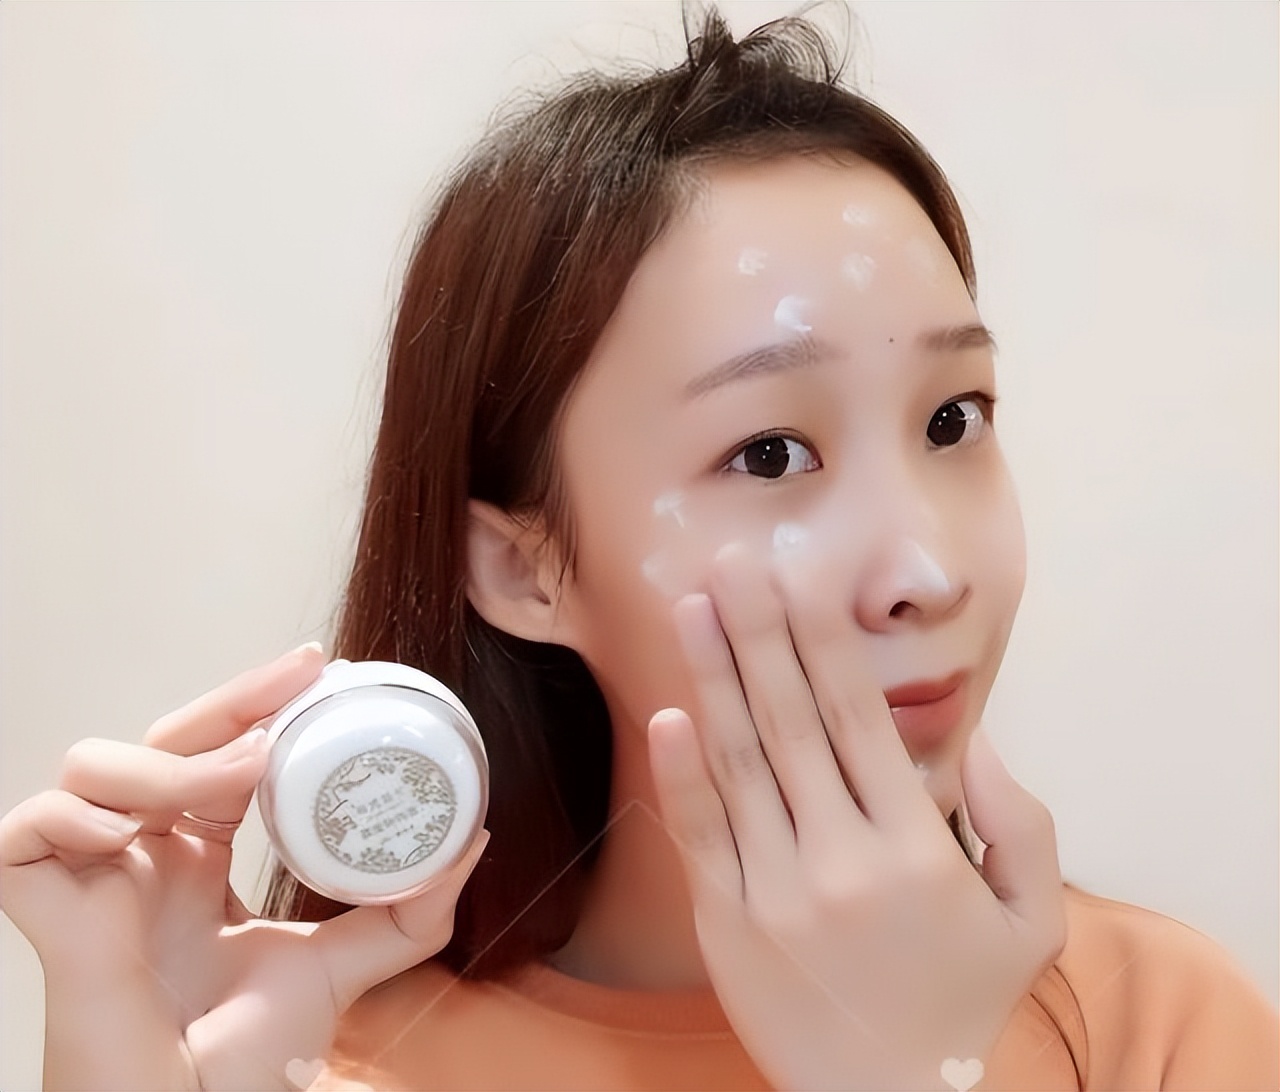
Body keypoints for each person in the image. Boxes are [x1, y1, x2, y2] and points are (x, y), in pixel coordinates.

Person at [2, 8, 1276, 1090]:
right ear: (523, 569)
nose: (928, 573)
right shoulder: (312, 1057)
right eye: (769, 453)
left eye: (953, 420)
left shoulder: (1147, 1029)